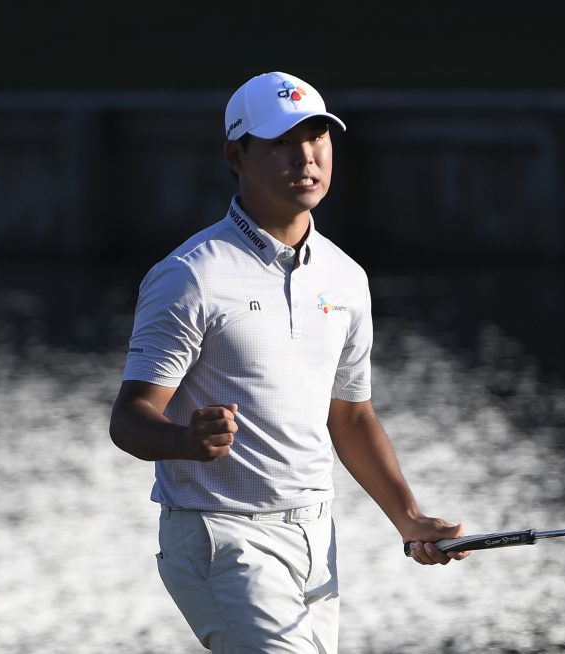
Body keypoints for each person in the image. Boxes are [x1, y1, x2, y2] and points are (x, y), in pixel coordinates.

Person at [109, 71, 469, 653]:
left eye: (317, 137)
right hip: (219, 535)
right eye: (281, 142)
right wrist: (183, 440)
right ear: (236, 154)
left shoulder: (346, 278)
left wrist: (408, 517)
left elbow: (350, 417)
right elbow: (129, 418)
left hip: (314, 535)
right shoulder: (190, 275)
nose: (305, 156)